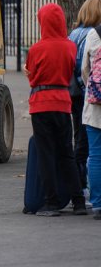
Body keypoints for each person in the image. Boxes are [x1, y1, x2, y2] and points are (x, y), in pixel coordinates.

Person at [24, 3, 86, 217]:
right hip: (62, 102)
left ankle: (51, 202)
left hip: (41, 103)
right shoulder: (70, 46)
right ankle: (78, 202)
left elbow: (33, 77)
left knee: (46, 154)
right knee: (66, 153)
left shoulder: (35, 49)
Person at [68, 0, 101, 193]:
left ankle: (80, 186)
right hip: (89, 95)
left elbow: (81, 68)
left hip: (76, 94)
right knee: (90, 146)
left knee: (79, 139)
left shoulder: (73, 35)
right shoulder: (93, 34)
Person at [81, 17, 101, 220]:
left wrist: (94, 90)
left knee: (95, 155)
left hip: (95, 108)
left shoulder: (94, 34)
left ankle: (98, 204)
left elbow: (84, 70)